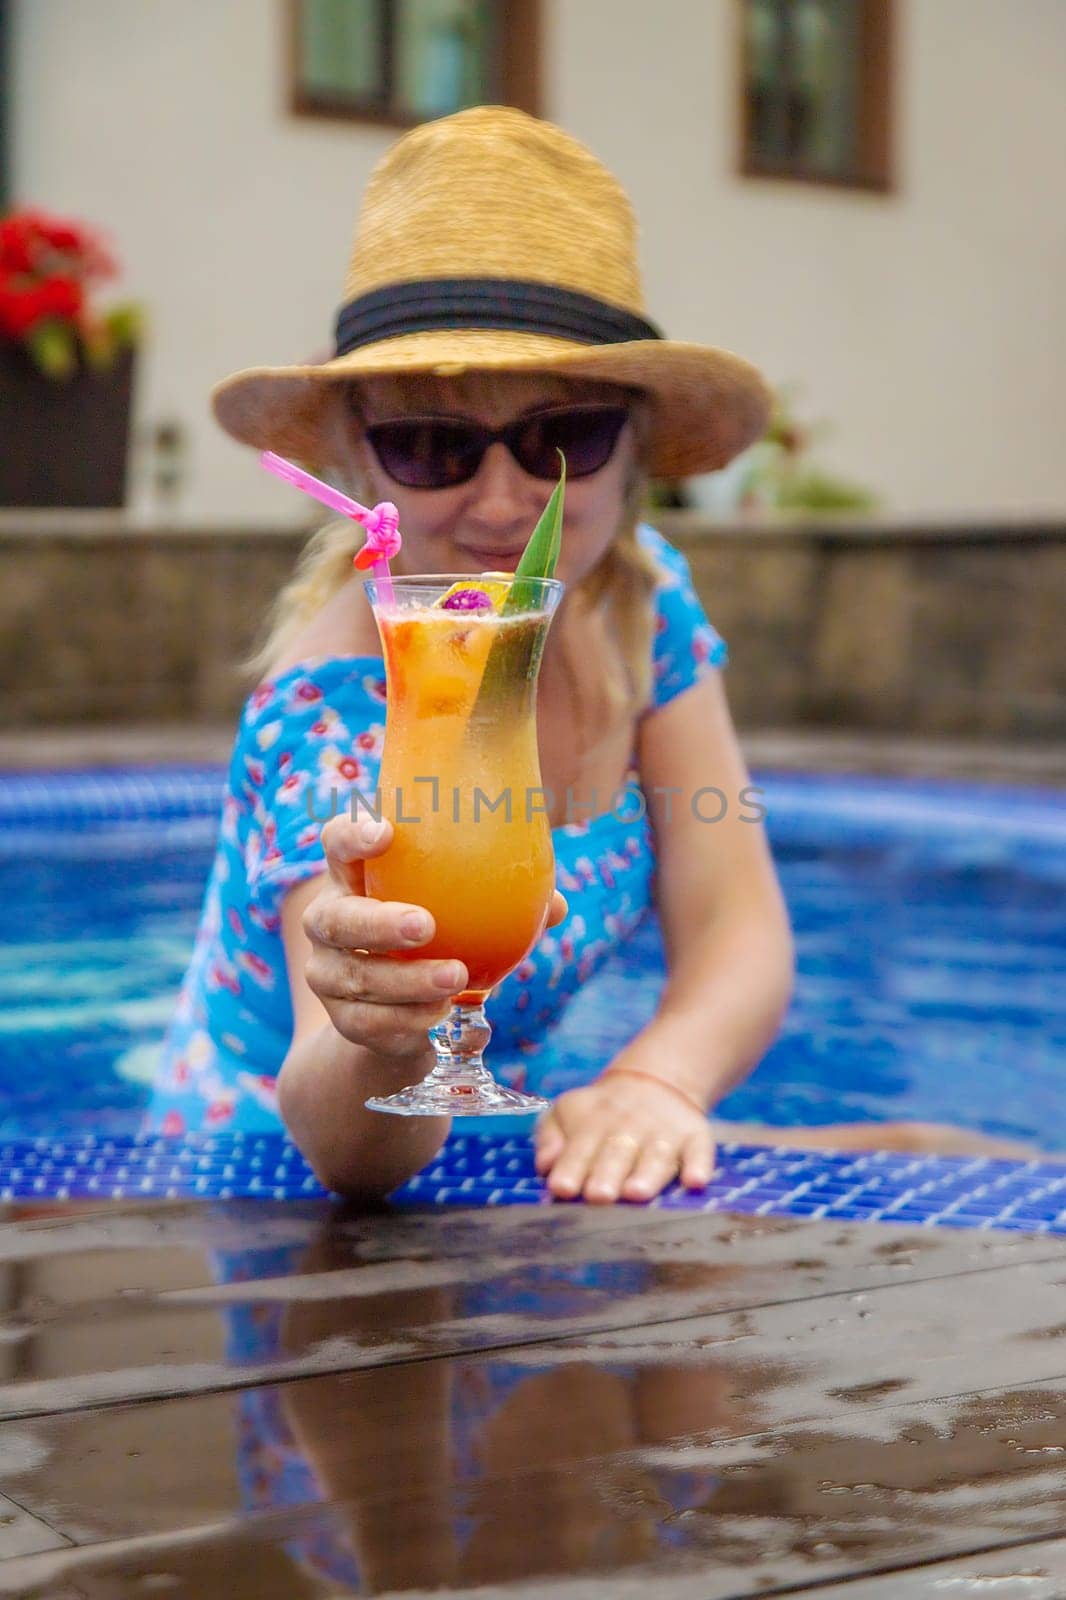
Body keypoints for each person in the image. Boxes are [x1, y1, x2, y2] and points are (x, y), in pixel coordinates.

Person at [147, 105, 789, 1200]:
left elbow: (737, 919)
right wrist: (378, 1035)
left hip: (514, 1135)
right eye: (432, 443)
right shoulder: (333, 715)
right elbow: (352, 1155)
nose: (502, 500)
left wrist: (656, 1081)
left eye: (564, 436)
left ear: (631, 449)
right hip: (270, 1196)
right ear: (361, 462)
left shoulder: (642, 603)